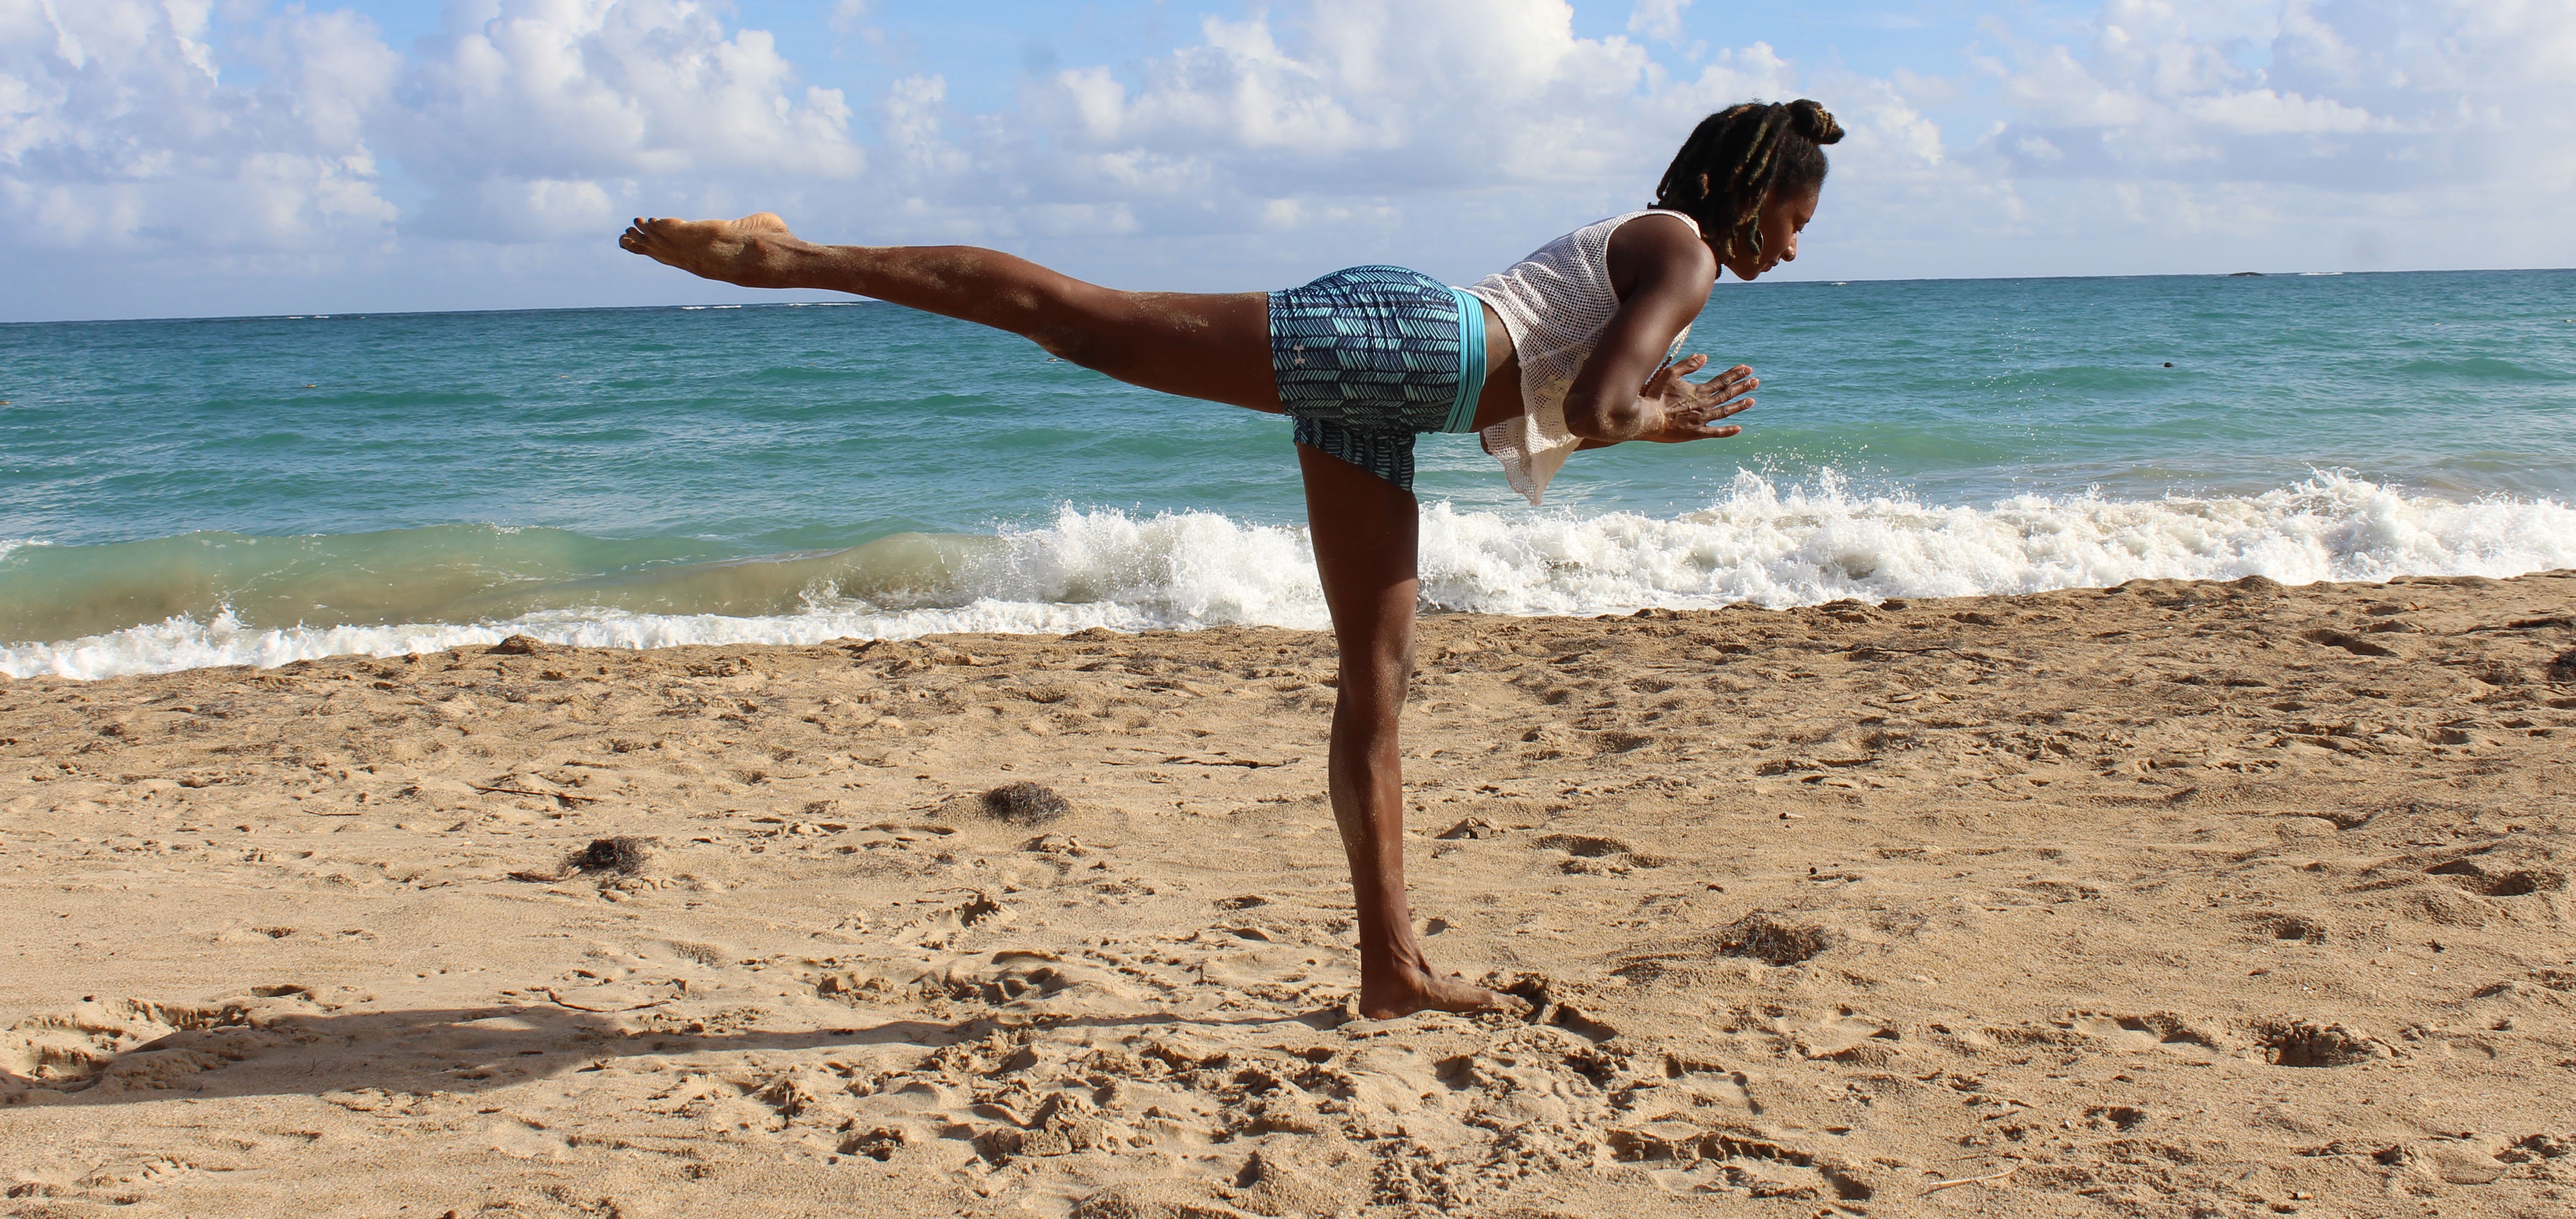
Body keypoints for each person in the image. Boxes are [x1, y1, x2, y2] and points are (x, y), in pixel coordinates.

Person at [620, 99, 1843, 1019]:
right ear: (1752, 190)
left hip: (1398, 390)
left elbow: (1539, 404)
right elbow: (1599, 403)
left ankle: (1390, 968)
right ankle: (784, 257)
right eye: (1794, 220)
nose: (1791, 249)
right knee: (1078, 317)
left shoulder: (1659, 241)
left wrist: (1625, 411)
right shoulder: (1680, 254)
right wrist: (1654, 418)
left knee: (1378, 687)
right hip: (1395, 340)